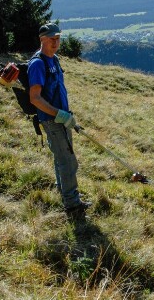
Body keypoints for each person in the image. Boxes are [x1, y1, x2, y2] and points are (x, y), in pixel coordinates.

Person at [28, 22, 91, 219]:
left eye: (58, 38)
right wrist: (59, 115)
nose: (56, 42)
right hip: (52, 120)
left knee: (61, 159)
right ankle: (73, 206)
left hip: (62, 118)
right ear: (42, 39)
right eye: (51, 39)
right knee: (68, 162)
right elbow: (34, 98)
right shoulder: (38, 64)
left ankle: (64, 194)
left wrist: (67, 116)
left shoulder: (54, 59)